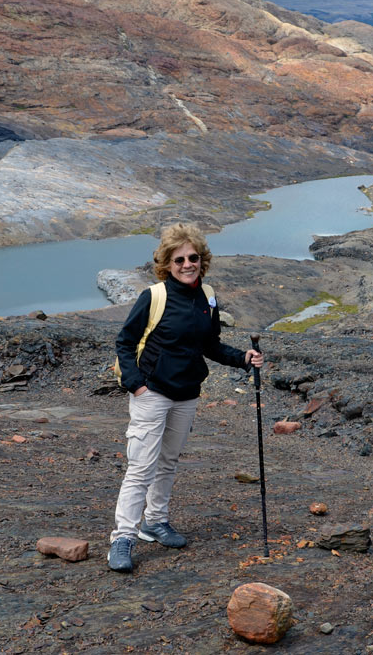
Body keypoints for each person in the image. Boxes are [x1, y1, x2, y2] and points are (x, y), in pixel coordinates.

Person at [107, 223, 263, 573]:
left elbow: (210, 345)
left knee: (168, 462)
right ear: (167, 263)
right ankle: (123, 538)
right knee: (141, 468)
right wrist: (135, 384)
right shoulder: (155, 296)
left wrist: (242, 358)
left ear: (202, 260)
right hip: (152, 393)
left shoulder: (207, 296)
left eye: (193, 257)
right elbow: (125, 342)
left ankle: (155, 521)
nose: (187, 264)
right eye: (179, 259)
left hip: (187, 394)